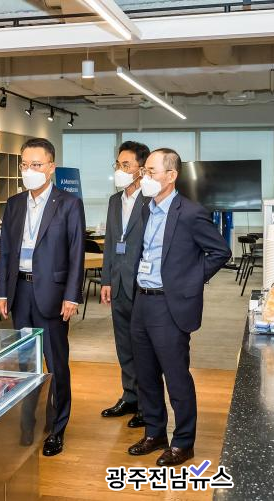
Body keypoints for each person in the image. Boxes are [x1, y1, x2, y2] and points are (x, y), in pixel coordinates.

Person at [127, 148, 231, 466]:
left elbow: (220, 251)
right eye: (143, 171)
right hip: (141, 301)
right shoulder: (145, 208)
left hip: (169, 305)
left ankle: (183, 442)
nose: (145, 177)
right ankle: (155, 432)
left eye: (151, 171)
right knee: (145, 374)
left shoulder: (190, 212)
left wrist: (189, 281)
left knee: (176, 377)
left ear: (171, 176)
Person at [0, 138, 85, 456]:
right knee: (25, 363)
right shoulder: (15, 203)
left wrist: (72, 296)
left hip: (53, 294)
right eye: (24, 164)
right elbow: (6, 251)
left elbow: (76, 253)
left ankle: (57, 428)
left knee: (55, 363)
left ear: (51, 167)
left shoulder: (69, 204)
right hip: (20, 292)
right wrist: (2, 291)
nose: (29, 170)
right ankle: (26, 424)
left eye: (36, 164)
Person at [100, 141, 150, 428]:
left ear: (141, 169)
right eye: (118, 164)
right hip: (117, 283)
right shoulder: (114, 201)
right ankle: (129, 396)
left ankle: (146, 403)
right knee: (124, 344)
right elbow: (110, 243)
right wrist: (106, 279)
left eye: (126, 165)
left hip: (142, 284)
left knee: (144, 347)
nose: (120, 169)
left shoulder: (152, 200)